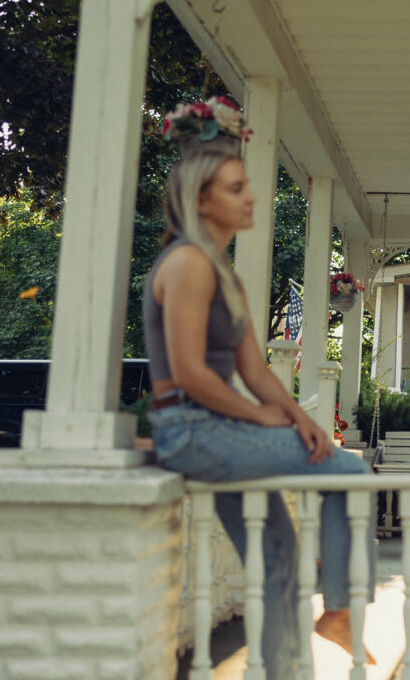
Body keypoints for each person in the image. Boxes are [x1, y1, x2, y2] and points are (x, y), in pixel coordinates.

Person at [144, 98, 374, 678]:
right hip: (192, 430)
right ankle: (341, 611)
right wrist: (263, 419)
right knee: (348, 472)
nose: (251, 197)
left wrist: (296, 415)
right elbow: (190, 372)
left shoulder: (225, 275)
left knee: (277, 558)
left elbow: (257, 372)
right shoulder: (188, 263)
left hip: (216, 429)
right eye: (236, 188)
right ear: (201, 200)